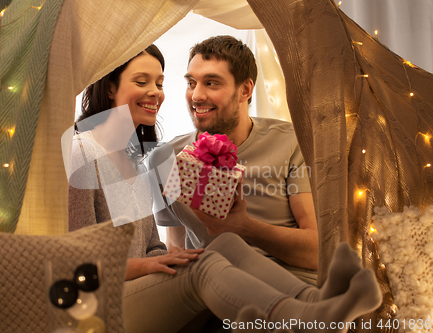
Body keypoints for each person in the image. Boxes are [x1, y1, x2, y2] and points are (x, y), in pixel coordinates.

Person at [67, 44, 382, 333]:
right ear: (109, 88)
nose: (155, 92)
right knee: (206, 266)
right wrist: (149, 264)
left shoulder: (134, 159)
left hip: (139, 288)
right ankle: (303, 320)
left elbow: (152, 246)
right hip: (99, 303)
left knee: (225, 246)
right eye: (141, 82)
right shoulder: (81, 153)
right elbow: (75, 263)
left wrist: (168, 256)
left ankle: (316, 303)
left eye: (160, 83)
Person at [153, 35, 318, 283]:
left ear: (245, 89)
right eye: (191, 83)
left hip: (289, 283)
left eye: (211, 83)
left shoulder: (292, 142)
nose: (196, 96)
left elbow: (316, 253)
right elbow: (176, 247)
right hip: (212, 285)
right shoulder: (166, 158)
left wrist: (244, 227)